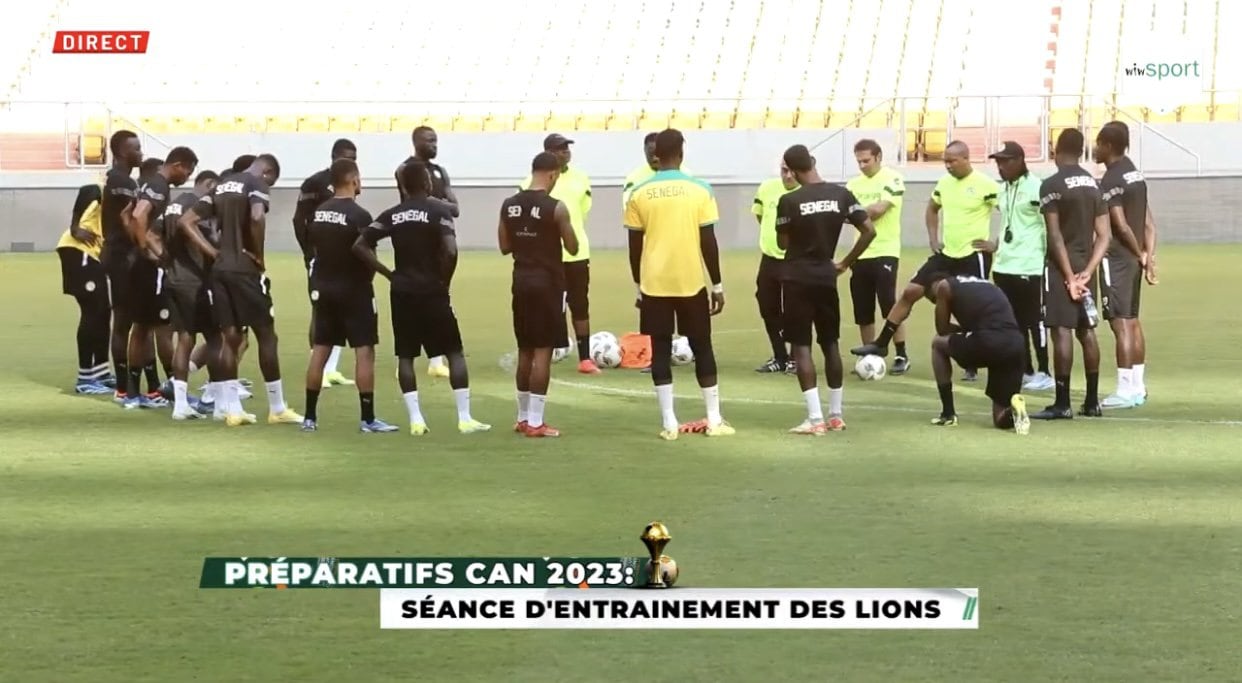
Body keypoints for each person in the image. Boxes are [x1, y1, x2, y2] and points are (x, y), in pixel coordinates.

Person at [355, 159, 490, 435]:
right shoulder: (439, 211)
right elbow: (450, 251)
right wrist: (444, 281)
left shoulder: (393, 214)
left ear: (404, 186)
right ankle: (465, 418)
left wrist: (389, 274)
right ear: (427, 183)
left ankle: (416, 420)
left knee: (406, 356)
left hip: (402, 291)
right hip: (433, 290)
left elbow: (359, 245)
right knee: (454, 352)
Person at [851, 140, 999, 372]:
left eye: (952, 161)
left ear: (966, 158)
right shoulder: (944, 183)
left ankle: (973, 359)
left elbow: (1010, 212)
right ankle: (881, 343)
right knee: (910, 292)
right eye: (945, 161)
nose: (948, 166)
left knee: (970, 308)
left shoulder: (986, 184)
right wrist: (933, 238)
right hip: (946, 253)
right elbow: (932, 208)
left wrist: (996, 244)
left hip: (973, 255)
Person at [624, 129, 733, 440]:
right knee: (702, 347)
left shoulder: (639, 193)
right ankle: (714, 419)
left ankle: (669, 422)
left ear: (656, 155)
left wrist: (638, 286)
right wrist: (717, 285)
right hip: (690, 283)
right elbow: (708, 241)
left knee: (659, 350)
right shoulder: (700, 190)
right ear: (682, 154)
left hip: (654, 284)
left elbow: (634, 246)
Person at [179, 154, 303, 427]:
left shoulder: (221, 186)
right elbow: (257, 217)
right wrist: (258, 255)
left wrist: (213, 253)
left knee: (230, 338)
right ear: (267, 172)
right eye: (272, 181)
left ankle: (233, 410)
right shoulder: (256, 183)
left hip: (220, 270)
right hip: (245, 271)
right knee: (267, 336)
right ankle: (277, 408)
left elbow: (186, 221)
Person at [775, 144, 876, 434]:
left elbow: (782, 243)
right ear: (812, 162)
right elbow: (869, 230)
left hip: (797, 278)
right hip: (826, 276)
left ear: (793, 171)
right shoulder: (841, 194)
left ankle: (815, 418)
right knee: (830, 343)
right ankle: (835, 415)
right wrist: (845, 262)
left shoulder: (789, 200)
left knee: (801, 345)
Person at [300, 159, 397, 433]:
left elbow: (315, 248)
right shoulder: (360, 215)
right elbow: (366, 254)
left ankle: (310, 418)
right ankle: (368, 419)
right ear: (353, 179)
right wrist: (385, 274)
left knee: (320, 349)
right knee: (364, 351)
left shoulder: (319, 212)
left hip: (324, 288)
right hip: (354, 290)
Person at [1031, 129, 1111, 420]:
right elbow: (1104, 236)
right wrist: (1087, 272)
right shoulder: (1094, 185)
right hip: (1086, 266)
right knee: (1086, 330)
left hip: (1060, 268)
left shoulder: (1051, 185)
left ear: (1056, 149)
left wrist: (1068, 277)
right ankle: (1092, 401)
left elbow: (1055, 236)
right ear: (1081, 151)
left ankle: (1062, 403)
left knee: (1061, 330)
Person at [501, 152, 580, 437]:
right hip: (548, 285)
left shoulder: (509, 205)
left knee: (525, 350)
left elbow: (505, 246)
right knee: (543, 352)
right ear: (553, 174)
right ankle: (536, 422)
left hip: (521, 281)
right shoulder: (556, 208)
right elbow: (573, 247)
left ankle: (522, 417)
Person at [123, 146, 198, 410]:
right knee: (163, 329)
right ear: (177, 165)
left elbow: (126, 215)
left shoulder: (146, 183)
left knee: (141, 328)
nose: (187, 177)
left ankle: (133, 393)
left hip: (136, 265)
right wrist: (149, 249)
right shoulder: (159, 185)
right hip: (149, 267)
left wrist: (137, 245)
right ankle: (173, 390)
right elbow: (137, 215)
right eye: (188, 171)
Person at [519, 134, 599, 374]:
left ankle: (585, 358)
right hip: (546, 258)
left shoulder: (581, 178)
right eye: (560, 149)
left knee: (580, 305)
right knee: (549, 306)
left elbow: (582, 212)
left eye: (567, 148)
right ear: (548, 152)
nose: (566, 152)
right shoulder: (529, 182)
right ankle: (551, 350)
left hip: (576, 254)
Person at [1094, 121, 1157, 408]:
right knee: (1132, 321)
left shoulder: (1111, 180)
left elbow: (1120, 225)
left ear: (1107, 145)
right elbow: (1148, 223)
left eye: (1097, 144)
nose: (1094, 149)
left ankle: (1124, 390)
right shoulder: (1135, 174)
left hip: (1117, 259)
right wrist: (1148, 256)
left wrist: (1137, 252)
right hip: (1133, 259)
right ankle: (1138, 387)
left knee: (1120, 324)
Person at [922, 273, 1030, 433]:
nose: (936, 303)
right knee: (999, 418)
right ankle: (1014, 411)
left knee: (938, 343)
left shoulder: (944, 286)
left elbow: (942, 329)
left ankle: (948, 413)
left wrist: (963, 331)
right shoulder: (984, 284)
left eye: (934, 299)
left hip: (990, 342)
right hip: (1016, 345)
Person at [987, 141, 1053, 391]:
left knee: (1035, 320)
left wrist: (1048, 257)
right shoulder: (1003, 189)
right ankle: (1026, 369)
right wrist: (996, 245)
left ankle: (1045, 371)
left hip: (1030, 266)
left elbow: (1049, 225)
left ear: (1019, 160)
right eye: (997, 162)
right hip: (1004, 266)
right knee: (1013, 321)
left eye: (1004, 161)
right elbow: (1009, 222)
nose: (1000, 167)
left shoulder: (1037, 187)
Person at [395, 126, 460, 380]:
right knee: (415, 298)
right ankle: (408, 356)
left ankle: (436, 360)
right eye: (429, 140)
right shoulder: (405, 169)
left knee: (439, 297)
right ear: (416, 142)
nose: (434, 145)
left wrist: (434, 202)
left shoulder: (440, 171)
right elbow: (411, 200)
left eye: (436, 140)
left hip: (441, 242)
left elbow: (455, 208)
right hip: (415, 240)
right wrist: (439, 204)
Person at [293, 138, 358, 389]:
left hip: (343, 258)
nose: (351, 162)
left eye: (354, 158)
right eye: (347, 157)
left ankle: (331, 369)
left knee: (341, 309)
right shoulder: (315, 183)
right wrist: (309, 252)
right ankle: (317, 366)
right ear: (333, 157)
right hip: (319, 257)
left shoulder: (349, 185)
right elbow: (299, 220)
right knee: (320, 310)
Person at [845, 139, 909, 374]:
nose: (862, 165)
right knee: (863, 309)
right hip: (861, 253)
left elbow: (879, 210)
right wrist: (856, 214)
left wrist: (855, 213)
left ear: (878, 157)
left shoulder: (893, 179)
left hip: (885, 251)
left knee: (889, 304)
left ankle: (901, 354)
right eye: (859, 161)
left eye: (866, 160)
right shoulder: (852, 184)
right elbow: (846, 215)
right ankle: (868, 355)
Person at [163, 170, 220, 419]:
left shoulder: (173, 205)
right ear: (209, 184)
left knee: (185, 339)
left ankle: (180, 405)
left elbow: (153, 234)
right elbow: (192, 229)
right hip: (195, 281)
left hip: (174, 278)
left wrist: (164, 260)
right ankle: (218, 400)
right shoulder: (196, 207)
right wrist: (212, 252)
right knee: (217, 339)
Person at [98, 130, 144, 402]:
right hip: (121, 257)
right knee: (124, 321)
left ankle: (130, 384)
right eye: (136, 148)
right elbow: (131, 222)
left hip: (122, 256)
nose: (141, 152)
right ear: (122, 152)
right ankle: (124, 387)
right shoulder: (120, 181)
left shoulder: (123, 179)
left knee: (131, 320)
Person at [56, 180, 112, 393]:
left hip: (92, 254)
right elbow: (88, 190)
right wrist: (74, 227)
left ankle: (101, 372)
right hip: (78, 250)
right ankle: (85, 379)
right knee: (92, 311)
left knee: (103, 311)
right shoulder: (105, 186)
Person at [750, 162, 798, 373]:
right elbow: (761, 216)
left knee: (796, 309)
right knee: (767, 304)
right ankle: (780, 356)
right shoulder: (767, 188)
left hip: (795, 260)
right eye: (784, 170)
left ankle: (796, 358)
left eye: (792, 171)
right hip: (769, 259)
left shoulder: (807, 192)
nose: (788, 176)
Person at [622, 132, 694, 207]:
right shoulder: (633, 178)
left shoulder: (685, 174)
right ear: (645, 151)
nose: (655, 158)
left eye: (658, 154)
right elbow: (628, 206)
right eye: (650, 154)